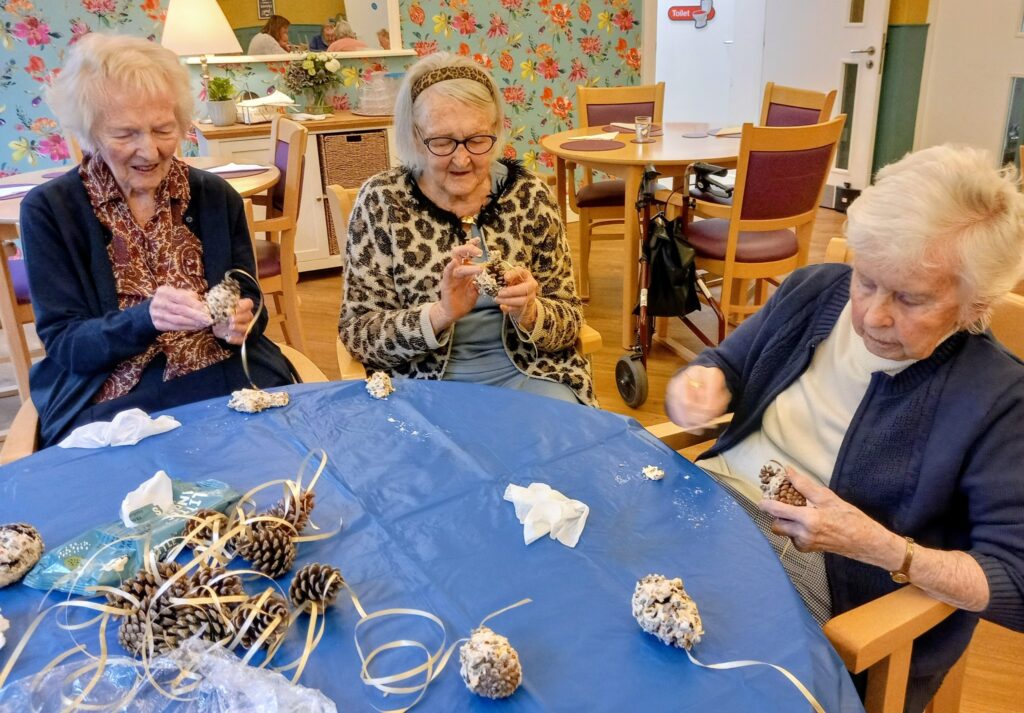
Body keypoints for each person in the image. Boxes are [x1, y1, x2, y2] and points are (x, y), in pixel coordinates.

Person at [664, 145, 1024, 712]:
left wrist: (882, 548)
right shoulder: (814, 290)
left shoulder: (999, 397)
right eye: (866, 280)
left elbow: (1016, 580)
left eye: (909, 298)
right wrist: (698, 384)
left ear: (974, 303)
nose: (872, 317)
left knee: (691, 675)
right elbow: (725, 364)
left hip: (833, 576)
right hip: (711, 500)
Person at [23, 33, 292, 447]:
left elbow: (249, 297)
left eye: (163, 129)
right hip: (113, 395)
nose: (149, 150)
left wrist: (242, 321)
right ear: (91, 132)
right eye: (125, 134)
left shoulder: (217, 197)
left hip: (224, 374)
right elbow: (68, 345)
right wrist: (146, 318)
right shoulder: (50, 211)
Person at [338, 53, 594, 406]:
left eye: (477, 140)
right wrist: (439, 314)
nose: (462, 160)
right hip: (422, 389)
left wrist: (531, 312)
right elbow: (358, 333)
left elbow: (569, 320)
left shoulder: (530, 195)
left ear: (496, 130)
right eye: (442, 142)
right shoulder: (383, 202)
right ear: (415, 135)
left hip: (534, 374)